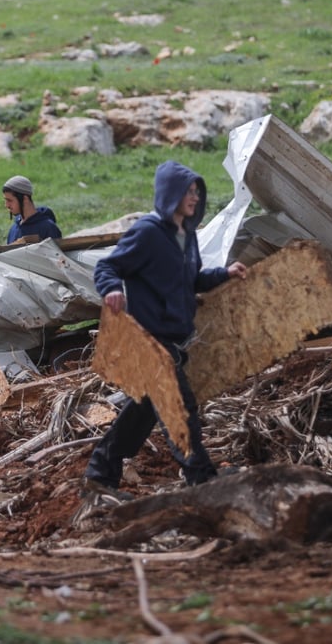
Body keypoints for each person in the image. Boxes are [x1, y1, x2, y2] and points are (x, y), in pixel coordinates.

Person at [84, 160, 247, 500]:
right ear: (170, 194)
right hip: (149, 341)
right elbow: (108, 266)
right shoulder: (147, 233)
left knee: (140, 414)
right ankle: (201, 480)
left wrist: (225, 273)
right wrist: (112, 288)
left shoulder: (187, 238)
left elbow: (193, 281)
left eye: (195, 191)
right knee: (179, 408)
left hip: (173, 339)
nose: (193, 197)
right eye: (187, 191)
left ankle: (100, 473)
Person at [2, 174, 62, 244]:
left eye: (10, 200)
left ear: (25, 199)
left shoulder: (48, 228)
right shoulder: (13, 230)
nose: (6, 205)